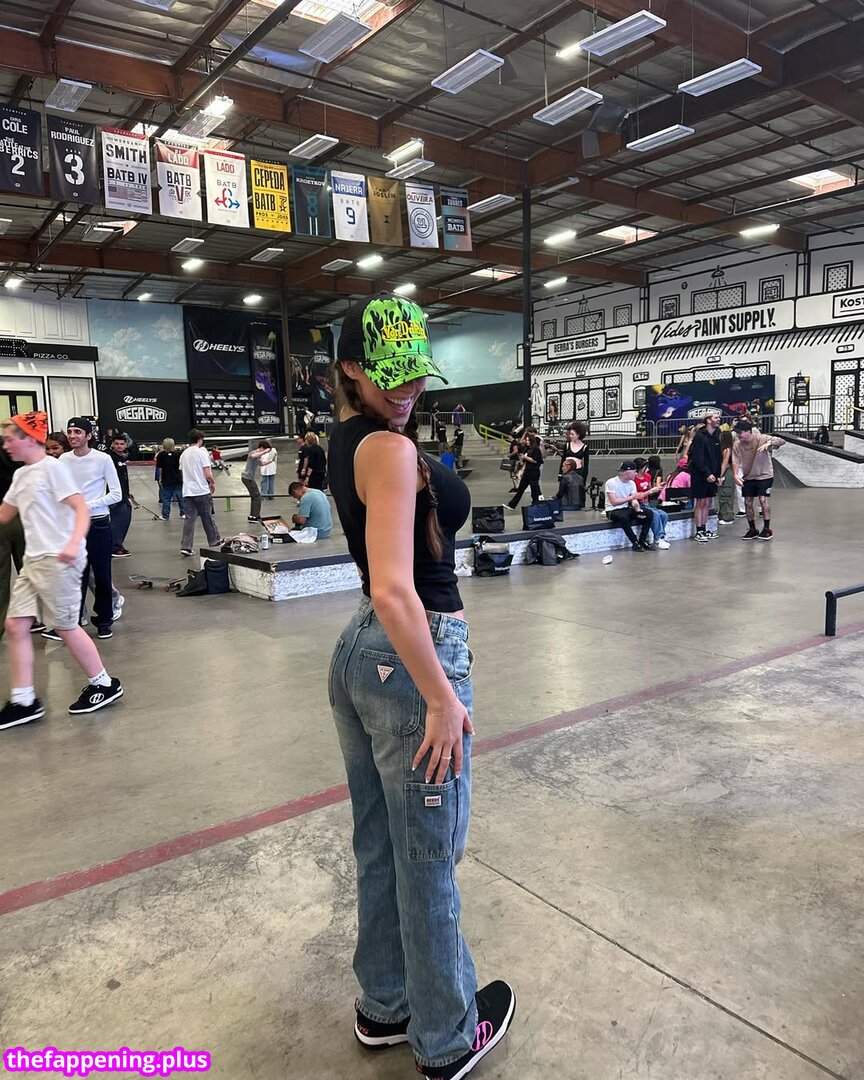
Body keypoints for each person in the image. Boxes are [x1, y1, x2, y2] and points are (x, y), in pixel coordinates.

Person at [327, 295, 515, 1080]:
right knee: (429, 855)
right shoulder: (389, 450)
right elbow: (396, 588)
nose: (407, 390)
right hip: (412, 654)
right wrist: (440, 695)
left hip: (362, 653)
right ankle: (446, 1038)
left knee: (382, 842)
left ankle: (386, 1004)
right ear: (350, 367)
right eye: (389, 374)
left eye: (415, 375)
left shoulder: (347, 439)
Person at [0, 412, 123, 730]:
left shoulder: (54, 469)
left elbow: (80, 508)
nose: (6, 445)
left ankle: (104, 683)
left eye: (10, 439)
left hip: (59, 560)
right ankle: (24, 700)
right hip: (34, 561)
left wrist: (73, 543)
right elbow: (4, 514)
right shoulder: (21, 475)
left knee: (66, 626)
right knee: (15, 624)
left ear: (29, 439)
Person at [64, 417, 121, 639]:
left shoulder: (103, 459)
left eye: (78, 431)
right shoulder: (63, 460)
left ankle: (104, 620)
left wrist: (87, 505)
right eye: (70, 431)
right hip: (72, 525)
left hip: (97, 524)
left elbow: (116, 494)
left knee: (102, 576)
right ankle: (75, 621)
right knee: (76, 576)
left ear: (88, 436)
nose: (72, 435)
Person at [734, 421, 784, 541]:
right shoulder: (737, 444)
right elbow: (735, 460)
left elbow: (781, 441)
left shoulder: (762, 438)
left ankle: (767, 529)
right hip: (749, 476)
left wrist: (769, 443)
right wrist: (735, 474)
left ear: (748, 432)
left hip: (764, 475)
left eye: (740, 433)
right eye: (737, 433)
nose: (738, 435)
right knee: (748, 502)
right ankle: (752, 529)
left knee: (763, 500)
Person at [179, 430, 220, 557]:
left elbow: (182, 472)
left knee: (189, 520)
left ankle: (186, 546)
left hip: (188, 491)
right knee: (207, 518)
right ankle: (214, 542)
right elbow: (207, 473)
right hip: (201, 491)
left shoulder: (184, 454)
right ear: (200, 440)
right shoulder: (202, 453)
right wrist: (212, 483)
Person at [0, 444, 24, 637]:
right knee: (29, 570)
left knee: (1, 576)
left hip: (5, 513)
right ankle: (35, 616)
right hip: (23, 513)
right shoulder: (13, 446)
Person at [605, 461, 655, 551]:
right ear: (628, 472)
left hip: (626, 508)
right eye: (634, 472)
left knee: (649, 513)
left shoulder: (632, 483)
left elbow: (634, 500)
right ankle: (634, 542)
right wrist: (632, 497)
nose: (636, 474)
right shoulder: (611, 482)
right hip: (613, 510)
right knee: (624, 517)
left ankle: (642, 540)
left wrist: (638, 509)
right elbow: (614, 502)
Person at [688, 411, 721, 543]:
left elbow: (718, 457)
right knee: (700, 503)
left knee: (708, 503)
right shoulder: (700, 437)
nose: (718, 419)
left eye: (718, 417)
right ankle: (699, 531)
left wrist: (717, 475)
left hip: (712, 476)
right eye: (715, 417)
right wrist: (707, 473)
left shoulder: (716, 436)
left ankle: (704, 528)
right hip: (700, 475)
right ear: (708, 420)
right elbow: (698, 458)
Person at [633, 458, 670, 548]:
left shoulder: (648, 476)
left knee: (664, 515)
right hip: (639, 505)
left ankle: (660, 537)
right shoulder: (634, 479)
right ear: (641, 468)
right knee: (655, 515)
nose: (648, 469)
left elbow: (650, 490)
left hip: (647, 504)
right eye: (646, 467)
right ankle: (658, 538)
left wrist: (658, 487)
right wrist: (650, 491)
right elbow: (636, 496)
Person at [108, 433, 133, 558]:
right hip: (115, 496)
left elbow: (124, 477)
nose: (119, 446)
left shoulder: (121, 458)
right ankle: (114, 547)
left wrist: (127, 491)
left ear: (126, 445)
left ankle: (118, 544)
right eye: (116, 444)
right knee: (119, 521)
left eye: (122, 444)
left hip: (123, 494)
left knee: (125, 518)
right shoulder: (109, 458)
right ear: (112, 444)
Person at [507, 431, 543, 509]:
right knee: (520, 489)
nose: (526, 442)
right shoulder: (527, 449)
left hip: (534, 472)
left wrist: (526, 458)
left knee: (534, 490)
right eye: (526, 440)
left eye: (528, 440)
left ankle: (536, 504)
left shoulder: (536, 449)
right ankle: (512, 504)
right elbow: (521, 443)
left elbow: (536, 461)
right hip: (527, 471)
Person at [155, 438, 185, 521]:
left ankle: (165, 515)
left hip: (166, 479)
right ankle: (183, 513)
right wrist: (183, 477)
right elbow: (181, 468)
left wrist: (160, 478)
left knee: (166, 498)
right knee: (181, 497)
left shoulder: (160, 455)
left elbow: (160, 468)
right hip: (177, 479)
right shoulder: (178, 455)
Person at [241, 442, 268, 522]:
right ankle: (255, 516)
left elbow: (262, 463)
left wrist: (271, 461)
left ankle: (253, 515)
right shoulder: (253, 453)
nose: (264, 454)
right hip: (247, 478)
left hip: (249, 478)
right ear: (262, 448)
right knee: (257, 497)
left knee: (254, 496)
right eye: (264, 451)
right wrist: (265, 451)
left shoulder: (258, 456)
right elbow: (253, 456)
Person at [717, 430, 736, 526]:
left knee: (725, 495)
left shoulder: (727, 450)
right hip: (729, 472)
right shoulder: (732, 448)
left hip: (726, 473)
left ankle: (727, 516)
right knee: (725, 495)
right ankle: (723, 514)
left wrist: (720, 476)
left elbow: (724, 463)